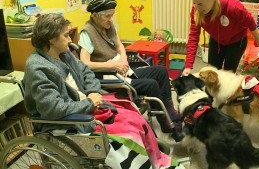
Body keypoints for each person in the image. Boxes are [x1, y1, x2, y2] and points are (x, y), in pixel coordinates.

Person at [23, 14, 181, 168]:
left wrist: (92, 92)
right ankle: (143, 159)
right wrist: (89, 103)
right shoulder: (38, 68)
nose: (71, 40)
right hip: (69, 120)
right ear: (51, 38)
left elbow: (86, 72)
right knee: (127, 131)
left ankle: (152, 154)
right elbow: (53, 109)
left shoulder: (64, 54)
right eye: (66, 35)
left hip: (86, 104)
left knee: (132, 114)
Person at [78, 0, 183, 142]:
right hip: (107, 76)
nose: (111, 19)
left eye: (112, 15)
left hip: (121, 70)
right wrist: (113, 65)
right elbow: (85, 63)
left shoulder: (108, 26)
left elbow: (120, 45)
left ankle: (169, 110)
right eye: (107, 16)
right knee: (151, 84)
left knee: (161, 71)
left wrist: (123, 59)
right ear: (94, 15)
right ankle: (165, 121)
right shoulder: (87, 33)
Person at [182, 0, 259, 75]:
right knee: (211, 74)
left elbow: (251, 24)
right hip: (216, 40)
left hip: (236, 41)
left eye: (201, 4)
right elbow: (193, 36)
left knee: (228, 75)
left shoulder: (233, 7)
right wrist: (188, 66)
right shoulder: (196, 10)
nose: (197, 7)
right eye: (195, 3)